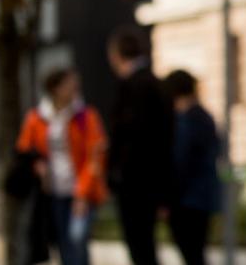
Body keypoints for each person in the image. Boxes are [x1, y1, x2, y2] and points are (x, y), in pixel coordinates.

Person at [16, 68, 107, 265]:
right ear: (55, 89)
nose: (74, 87)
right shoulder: (37, 117)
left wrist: (82, 194)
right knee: (63, 244)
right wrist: (38, 165)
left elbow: (96, 155)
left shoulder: (85, 116)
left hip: (81, 190)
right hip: (53, 192)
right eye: (68, 83)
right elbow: (24, 149)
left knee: (77, 239)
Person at [107, 24, 175, 265]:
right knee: (146, 246)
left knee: (140, 247)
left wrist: (114, 173)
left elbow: (128, 137)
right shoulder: (158, 84)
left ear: (116, 55)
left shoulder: (131, 87)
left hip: (134, 182)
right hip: (154, 180)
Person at [163, 70, 220, 265]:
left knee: (192, 254)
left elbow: (180, 162)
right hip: (203, 197)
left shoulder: (185, 121)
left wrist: (166, 198)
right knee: (197, 253)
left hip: (185, 200)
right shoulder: (206, 117)